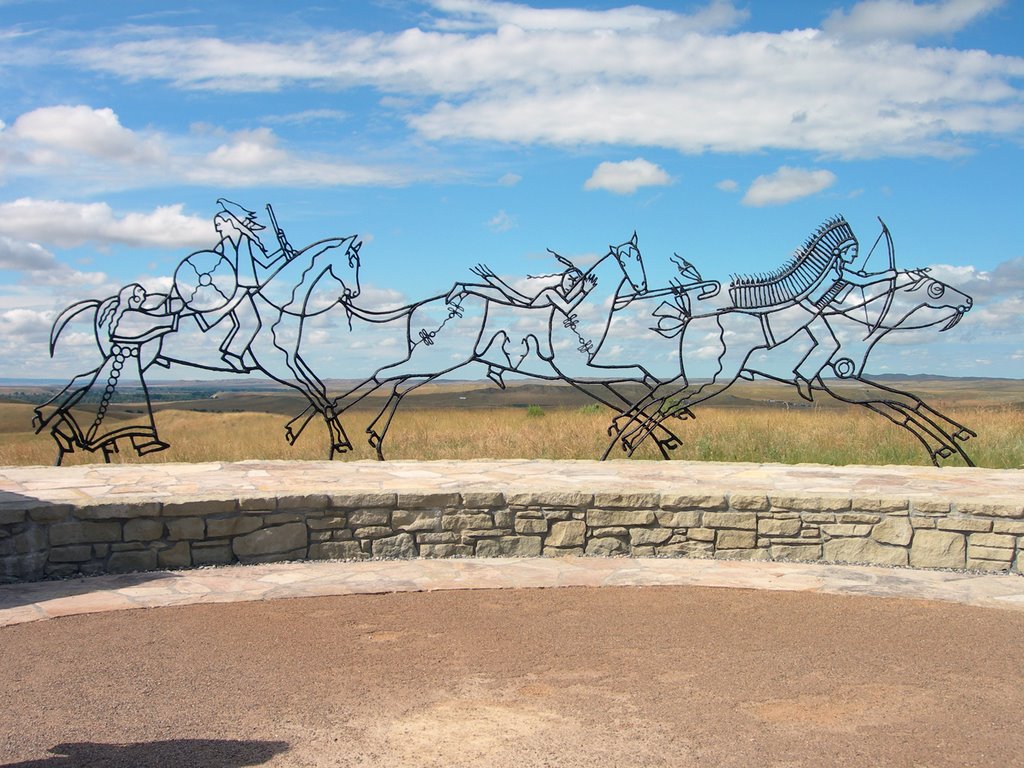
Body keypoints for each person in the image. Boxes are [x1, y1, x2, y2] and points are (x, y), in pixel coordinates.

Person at [209, 199, 289, 371]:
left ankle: (233, 353)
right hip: (235, 290)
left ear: (229, 222)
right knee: (252, 323)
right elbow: (217, 267)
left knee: (251, 323)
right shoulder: (226, 245)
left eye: (219, 223)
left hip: (243, 289)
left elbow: (266, 263)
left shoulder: (244, 241)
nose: (217, 228)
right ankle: (232, 354)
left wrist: (283, 251)